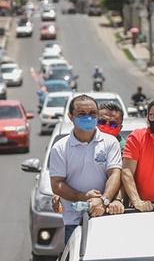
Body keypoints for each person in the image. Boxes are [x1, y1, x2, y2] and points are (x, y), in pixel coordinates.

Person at [50, 95, 125, 244]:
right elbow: (57, 184)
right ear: (71, 117)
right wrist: (82, 196)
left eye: (92, 114)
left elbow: (115, 174)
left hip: (106, 215)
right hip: (74, 221)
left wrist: (103, 200)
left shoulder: (110, 143)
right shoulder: (60, 148)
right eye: (82, 114)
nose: (88, 118)